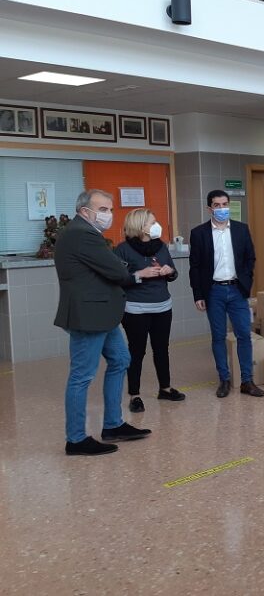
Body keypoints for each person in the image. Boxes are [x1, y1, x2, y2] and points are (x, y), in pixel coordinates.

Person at [55, 190, 155, 456]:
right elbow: (118, 271)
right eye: (102, 209)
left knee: (121, 360)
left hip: (102, 313)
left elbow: (111, 267)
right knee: (82, 376)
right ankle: (76, 439)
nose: (108, 214)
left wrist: (118, 266)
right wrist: (122, 268)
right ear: (84, 211)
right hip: (89, 315)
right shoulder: (82, 234)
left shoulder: (83, 233)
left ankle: (113, 424)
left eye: (110, 209)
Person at [189, 190, 263, 399]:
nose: (222, 209)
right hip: (213, 291)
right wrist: (198, 294)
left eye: (225, 204)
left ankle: (247, 380)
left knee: (244, 334)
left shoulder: (241, 229)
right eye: (217, 205)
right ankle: (224, 379)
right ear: (209, 208)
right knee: (218, 336)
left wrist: (246, 282)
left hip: (237, 289)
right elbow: (195, 267)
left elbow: (250, 258)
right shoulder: (199, 233)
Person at [114, 208, 184, 413]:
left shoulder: (161, 246)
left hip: (163, 306)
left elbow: (173, 273)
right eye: (152, 222)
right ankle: (134, 395)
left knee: (162, 349)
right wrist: (140, 274)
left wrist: (169, 271)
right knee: (137, 351)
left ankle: (165, 388)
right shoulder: (123, 249)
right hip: (135, 309)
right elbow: (117, 278)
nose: (156, 225)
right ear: (140, 226)